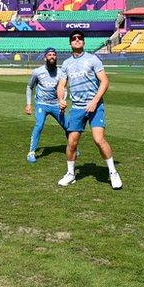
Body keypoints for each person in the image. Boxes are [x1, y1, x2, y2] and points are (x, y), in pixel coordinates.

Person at [56, 30, 122, 190]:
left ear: (83, 42)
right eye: (74, 38)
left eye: (80, 38)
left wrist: (95, 101)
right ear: (70, 43)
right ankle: (71, 174)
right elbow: (61, 85)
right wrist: (61, 99)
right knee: (72, 142)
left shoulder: (93, 59)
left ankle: (113, 173)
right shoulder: (66, 64)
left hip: (95, 106)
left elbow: (105, 82)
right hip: (77, 108)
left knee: (98, 140)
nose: (77, 40)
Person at [24, 47, 67, 163]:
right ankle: (31, 152)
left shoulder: (61, 72)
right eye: (49, 55)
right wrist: (28, 104)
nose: (52, 57)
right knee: (39, 124)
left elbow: (63, 88)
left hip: (55, 104)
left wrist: (62, 101)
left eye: (54, 55)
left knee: (68, 126)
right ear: (45, 58)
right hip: (41, 104)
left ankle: (72, 149)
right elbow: (29, 87)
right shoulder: (37, 72)